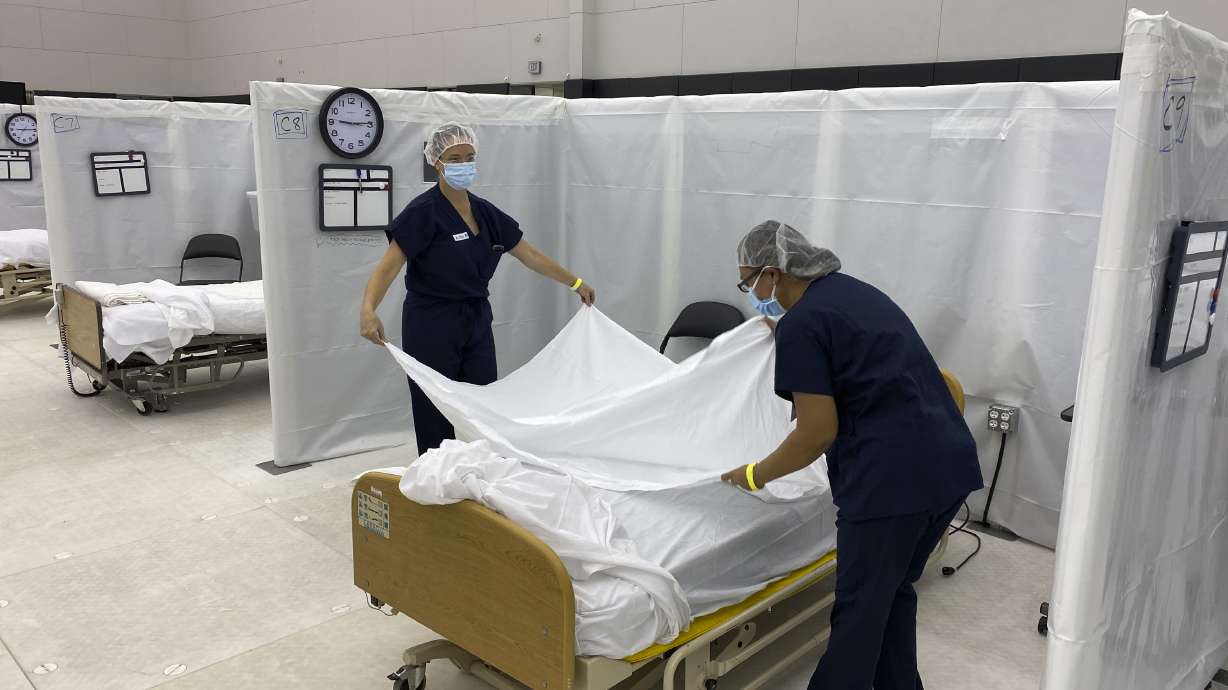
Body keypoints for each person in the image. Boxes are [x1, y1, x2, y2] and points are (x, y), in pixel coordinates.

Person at [721, 220, 983, 690]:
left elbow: (817, 433)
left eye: (749, 281)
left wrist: (755, 475)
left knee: (860, 612)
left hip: (891, 485)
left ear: (773, 272)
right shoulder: (849, 293)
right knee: (893, 594)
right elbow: (854, 353)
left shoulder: (804, 326)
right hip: (947, 464)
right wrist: (786, 329)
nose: (750, 291)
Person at [360, 122, 596, 455]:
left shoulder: (485, 213)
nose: (463, 164)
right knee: (434, 407)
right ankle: (437, 479)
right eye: (454, 158)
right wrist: (368, 309)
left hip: (475, 319)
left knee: (485, 401)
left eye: (469, 157)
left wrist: (574, 282)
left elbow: (528, 254)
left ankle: (483, 469)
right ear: (437, 163)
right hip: (431, 321)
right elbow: (387, 267)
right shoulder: (423, 212)